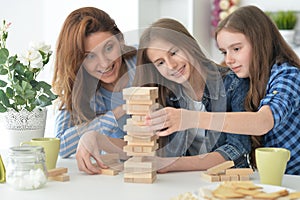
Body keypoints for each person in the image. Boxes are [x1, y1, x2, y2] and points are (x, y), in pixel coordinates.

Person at [146, 6, 300, 175]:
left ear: (260, 42)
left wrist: (190, 118)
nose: (228, 59)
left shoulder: (287, 75)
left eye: (236, 49)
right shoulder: (250, 78)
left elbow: (262, 122)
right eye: (224, 52)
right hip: (273, 178)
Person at [133, 18, 251, 172]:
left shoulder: (233, 84)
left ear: (189, 45)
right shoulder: (165, 95)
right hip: (182, 182)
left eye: (174, 53)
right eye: (160, 62)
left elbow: (236, 151)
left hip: (225, 181)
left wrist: (168, 164)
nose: (171, 65)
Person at [52, 7, 136, 174]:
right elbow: (60, 144)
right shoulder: (78, 86)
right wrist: (116, 113)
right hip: (113, 177)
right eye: (90, 56)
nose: (105, 63)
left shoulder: (145, 60)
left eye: (109, 48)